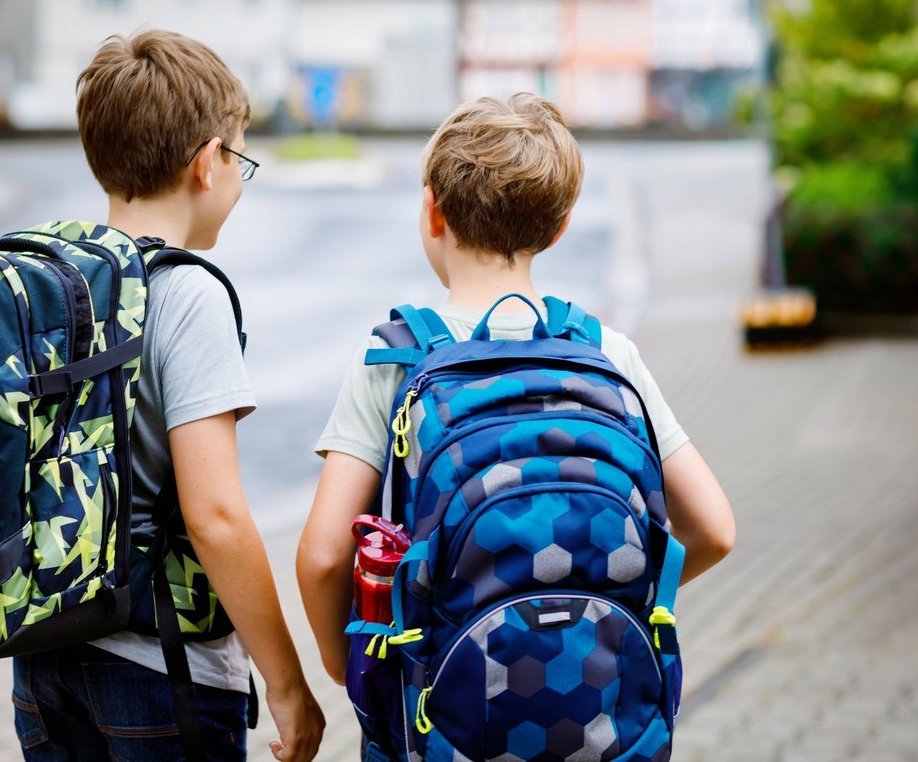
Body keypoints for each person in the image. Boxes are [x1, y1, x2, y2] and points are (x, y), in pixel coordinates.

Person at [296, 92, 736, 687]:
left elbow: (324, 558)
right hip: (595, 706)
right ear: (558, 230)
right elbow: (713, 530)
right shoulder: (608, 354)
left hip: (443, 704)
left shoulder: (393, 361)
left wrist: (345, 667)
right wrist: (610, 599)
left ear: (432, 211)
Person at [11, 30, 324, 761]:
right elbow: (214, 517)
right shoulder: (186, 292)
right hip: (164, 668)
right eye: (241, 159)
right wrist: (285, 682)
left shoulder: (55, 280)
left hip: (43, 653)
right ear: (209, 162)